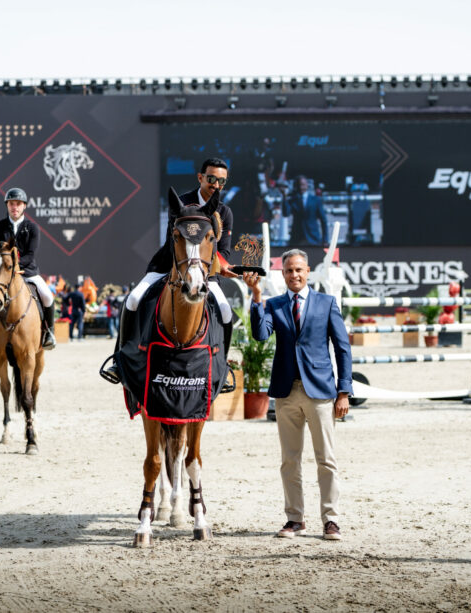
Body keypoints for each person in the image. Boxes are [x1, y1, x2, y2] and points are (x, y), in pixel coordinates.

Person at [243, 249, 352, 541]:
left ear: (308, 272)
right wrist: (256, 297)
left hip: (320, 393)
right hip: (286, 392)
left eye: (299, 270)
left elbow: (342, 349)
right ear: (283, 274)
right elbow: (260, 334)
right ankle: (294, 519)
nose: (295, 275)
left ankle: (331, 520)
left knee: (326, 460)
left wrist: (344, 391)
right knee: (289, 460)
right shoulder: (275, 305)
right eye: (289, 270)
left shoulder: (327, 303)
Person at [102, 158, 236, 382]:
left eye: (221, 181)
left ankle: (222, 366)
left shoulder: (224, 211)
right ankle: (119, 359)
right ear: (200, 177)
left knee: (225, 311)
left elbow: (223, 251)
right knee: (133, 299)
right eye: (211, 179)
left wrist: (224, 266)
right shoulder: (181, 202)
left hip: (205, 271)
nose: (216, 185)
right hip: (169, 264)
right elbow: (173, 243)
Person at [0, 187, 57, 349]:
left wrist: (17, 267)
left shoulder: (32, 228)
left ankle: (48, 333)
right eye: (11, 203)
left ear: (24, 206)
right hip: (4, 274)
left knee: (47, 296)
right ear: (7, 205)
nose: (14, 207)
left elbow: (30, 254)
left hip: (28, 271)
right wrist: (8, 270)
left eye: (18, 203)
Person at [286, 175, 329, 246]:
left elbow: (323, 220)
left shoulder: (315, 200)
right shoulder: (292, 200)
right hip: (297, 239)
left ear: (306, 185)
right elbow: (286, 213)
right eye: (298, 185)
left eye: (302, 185)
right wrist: (285, 197)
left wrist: (325, 239)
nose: (301, 187)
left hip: (313, 238)